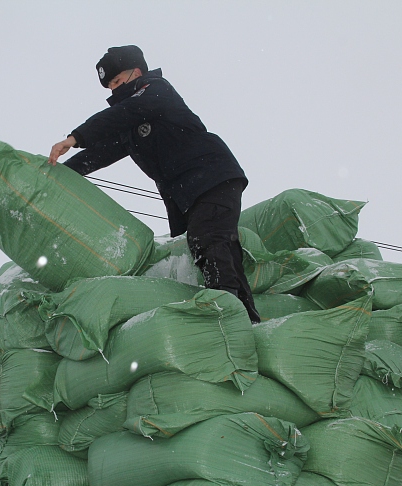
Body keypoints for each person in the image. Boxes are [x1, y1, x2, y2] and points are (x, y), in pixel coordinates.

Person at [48, 45, 260, 323]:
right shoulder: (133, 120)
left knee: (208, 238)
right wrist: (61, 174)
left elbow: (123, 113)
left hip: (212, 177)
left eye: (117, 81)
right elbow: (102, 151)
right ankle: (247, 318)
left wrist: (74, 137)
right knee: (213, 248)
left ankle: (223, 308)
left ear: (136, 73)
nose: (113, 90)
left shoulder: (157, 90)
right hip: (186, 195)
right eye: (110, 86)